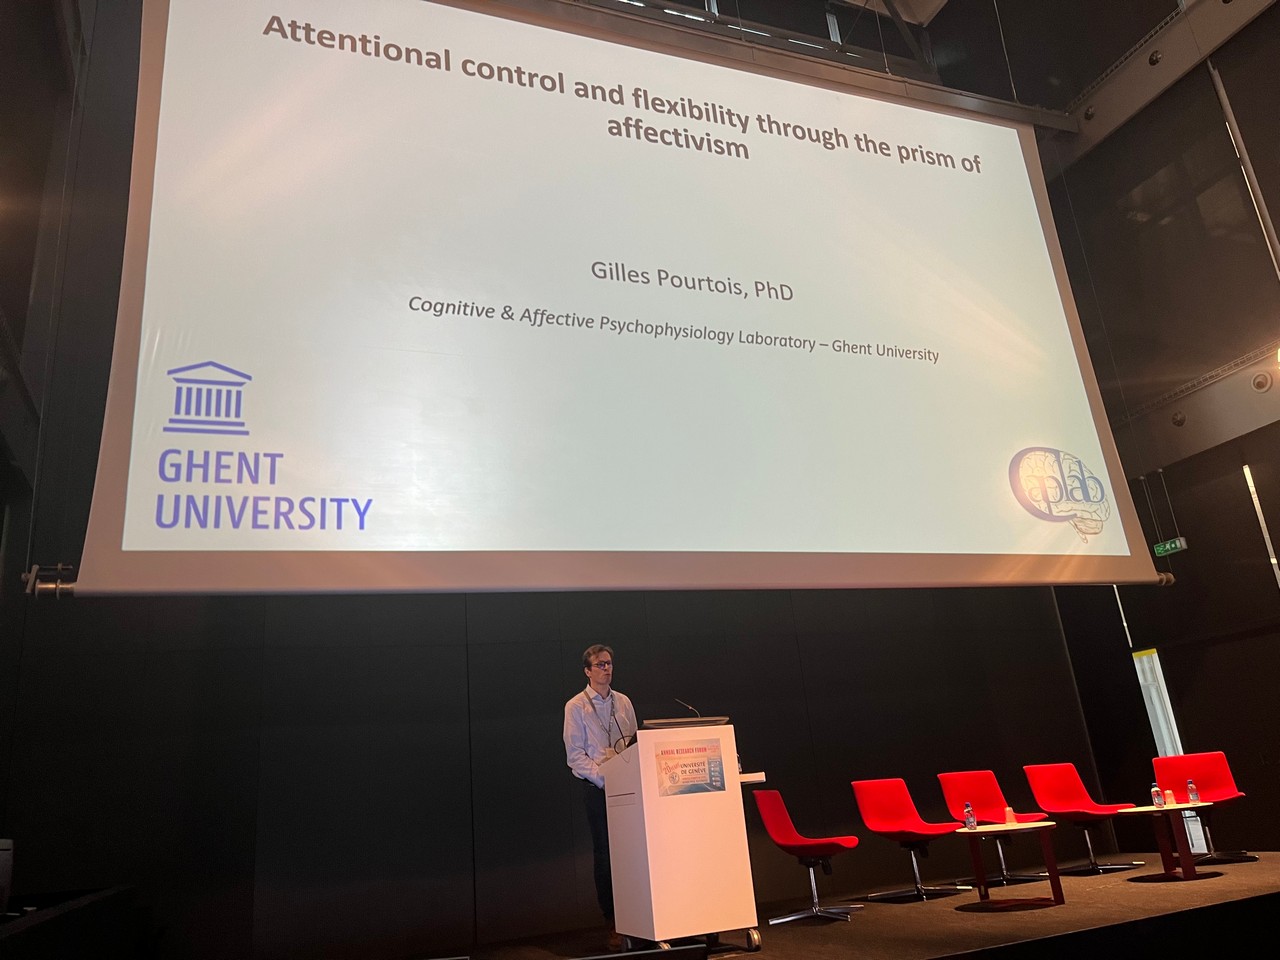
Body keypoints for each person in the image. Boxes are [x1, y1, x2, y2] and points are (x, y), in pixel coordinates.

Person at [563, 644, 637, 950]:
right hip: (597, 788)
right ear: (587, 671)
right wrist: (606, 778)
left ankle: (638, 915)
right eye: (600, 665)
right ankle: (613, 921)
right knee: (605, 854)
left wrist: (625, 774)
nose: (607, 669)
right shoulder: (575, 706)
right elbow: (574, 756)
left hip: (628, 787)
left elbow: (633, 743)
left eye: (609, 663)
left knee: (632, 851)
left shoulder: (624, 702)